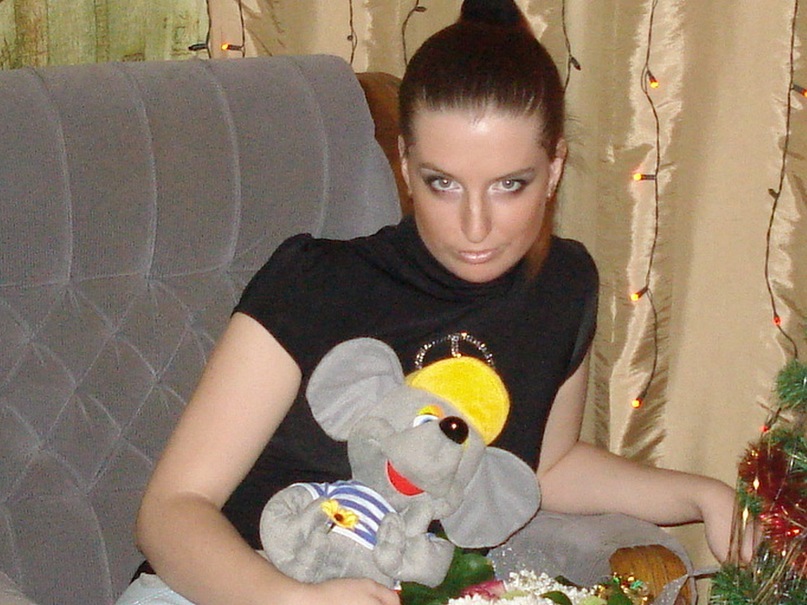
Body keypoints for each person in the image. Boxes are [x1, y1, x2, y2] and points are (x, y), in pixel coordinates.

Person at [117, 1, 738, 604]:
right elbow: (171, 511)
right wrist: (285, 598)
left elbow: (547, 468)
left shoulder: (563, 286)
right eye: (444, 183)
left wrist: (702, 496)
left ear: (554, 169)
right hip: (227, 588)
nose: (475, 225)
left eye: (510, 185)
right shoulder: (314, 283)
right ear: (406, 165)